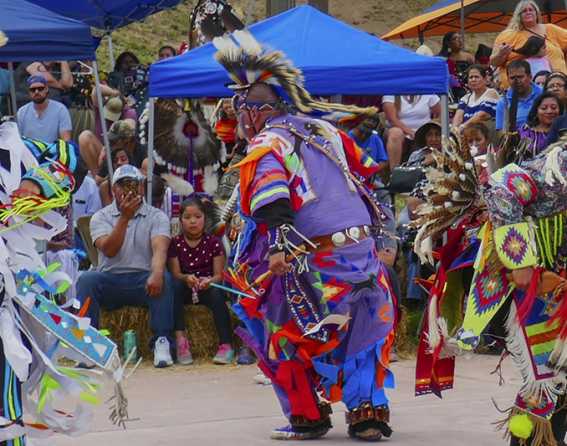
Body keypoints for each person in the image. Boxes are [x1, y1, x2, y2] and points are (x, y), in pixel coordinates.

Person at [215, 30, 395, 441]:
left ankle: (308, 415)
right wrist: (384, 237)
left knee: (279, 331)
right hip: (360, 252)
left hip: (314, 256)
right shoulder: (325, 130)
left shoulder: (268, 142)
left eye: (240, 109)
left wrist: (278, 246)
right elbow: (367, 175)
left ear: (255, 110)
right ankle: (367, 413)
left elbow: (272, 195)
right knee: (361, 326)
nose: (239, 120)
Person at [76, 164, 175, 368]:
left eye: (133, 185)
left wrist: (156, 273)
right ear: (114, 190)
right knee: (86, 279)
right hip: (110, 280)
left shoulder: (157, 216)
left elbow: (160, 249)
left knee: (163, 276)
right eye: (123, 185)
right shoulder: (100, 217)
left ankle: (161, 341)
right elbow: (109, 250)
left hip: (143, 281)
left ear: (141, 188)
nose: (128, 190)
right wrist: (124, 218)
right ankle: (89, 346)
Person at [168, 196, 234, 365]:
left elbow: (219, 275)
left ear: (205, 219)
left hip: (206, 288)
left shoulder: (213, 243)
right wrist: (186, 278)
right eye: (187, 217)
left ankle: (226, 344)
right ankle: (181, 340)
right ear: (180, 220)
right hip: (185, 288)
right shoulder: (175, 243)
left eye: (197, 217)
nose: (193, 222)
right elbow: (176, 273)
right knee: (173, 287)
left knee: (217, 294)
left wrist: (209, 281)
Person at [490, 0, 567, 90]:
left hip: (555, 86)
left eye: (531, 10)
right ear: (518, 15)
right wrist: (501, 53)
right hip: (519, 89)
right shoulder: (507, 35)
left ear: (536, 13)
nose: (528, 12)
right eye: (524, 11)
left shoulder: (551, 29)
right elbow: (493, 62)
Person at [382, 94, 440, 169]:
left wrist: (431, 125)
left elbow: (441, 113)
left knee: (433, 133)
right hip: (401, 133)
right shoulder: (391, 94)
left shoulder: (427, 91)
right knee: (395, 133)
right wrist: (411, 132)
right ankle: (394, 172)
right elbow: (392, 119)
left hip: (424, 131)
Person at [17, 75, 72, 142]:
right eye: (33, 90)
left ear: (46, 89)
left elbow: (66, 140)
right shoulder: (21, 112)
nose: (36, 92)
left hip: (53, 151)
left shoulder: (61, 109)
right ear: (29, 92)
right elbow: (18, 140)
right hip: (29, 151)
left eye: (40, 88)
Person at [495, 60, 543, 131]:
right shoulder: (503, 103)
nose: (517, 81)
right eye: (512, 78)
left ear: (530, 77)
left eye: (520, 77)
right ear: (507, 79)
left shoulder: (543, 94)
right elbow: (501, 132)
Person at [452, 64, 500, 132]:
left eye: (476, 77)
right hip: (467, 135)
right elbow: (458, 117)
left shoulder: (491, 93)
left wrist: (462, 127)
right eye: (471, 77)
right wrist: (454, 130)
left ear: (484, 79)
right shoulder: (465, 98)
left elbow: (482, 115)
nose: (473, 80)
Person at [518, 92, 563, 157]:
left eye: (553, 108)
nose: (549, 111)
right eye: (544, 108)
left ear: (560, 111)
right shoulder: (525, 132)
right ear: (536, 111)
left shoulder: (564, 132)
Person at [439, 31, 475, 99]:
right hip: (450, 92)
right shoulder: (444, 59)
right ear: (448, 43)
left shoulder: (469, 57)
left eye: (460, 38)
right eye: (455, 38)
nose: (459, 40)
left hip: (469, 89)